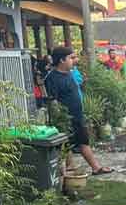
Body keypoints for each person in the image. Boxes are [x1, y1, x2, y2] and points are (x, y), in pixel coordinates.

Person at [43, 46, 110, 175]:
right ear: (62, 60)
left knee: (83, 141)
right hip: (66, 119)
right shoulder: (52, 78)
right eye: (71, 58)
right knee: (65, 145)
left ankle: (95, 168)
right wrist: (60, 120)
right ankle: (68, 172)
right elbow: (52, 102)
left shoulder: (69, 73)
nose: (74, 60)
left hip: (77, 115)